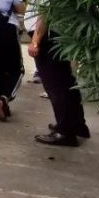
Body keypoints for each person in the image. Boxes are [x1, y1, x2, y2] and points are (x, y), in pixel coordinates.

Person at [29, 10, 89, 147]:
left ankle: (65, 132)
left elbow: (45, 12)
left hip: (51, 37)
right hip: (62, 35)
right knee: (67, 83)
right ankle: (77, 125)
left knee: (57, 86)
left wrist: (35, 41)